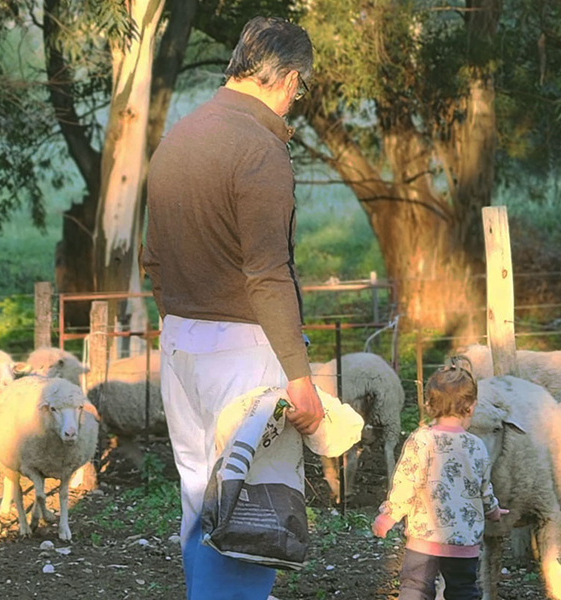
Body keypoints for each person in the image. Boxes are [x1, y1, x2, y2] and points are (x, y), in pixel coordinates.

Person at [142, 16, 324, 600]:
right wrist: (301, 378)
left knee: (200, 496)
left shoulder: (179, 136)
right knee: (250, 507)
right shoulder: (259, 148)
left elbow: (152, 258)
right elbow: (268, 274)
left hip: (179, 340)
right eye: (301, 88)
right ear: (290, 78)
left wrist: (171, 328)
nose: (297, 100)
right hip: (242, 347)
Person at [371, 360, 507, 600]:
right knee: (463, 589)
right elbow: (483, 487)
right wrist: (493, 510)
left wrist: (389, 515)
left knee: (415, 586)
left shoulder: (421, 440)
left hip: (424, 536)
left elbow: (406, 482)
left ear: (428, 405)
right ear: (471, 407)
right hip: (463, 540)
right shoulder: (476, 446)